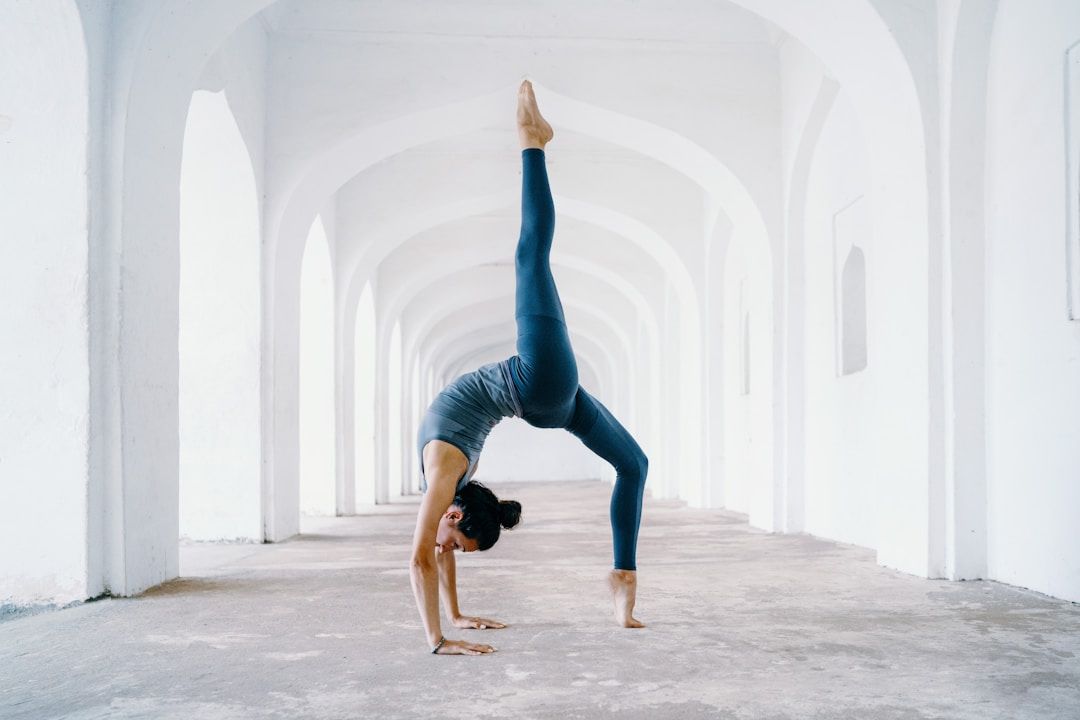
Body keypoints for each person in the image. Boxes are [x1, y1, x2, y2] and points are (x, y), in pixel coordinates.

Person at [409, 80, 649, 656]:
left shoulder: (444, 475)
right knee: (531, 258)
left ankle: (531, 142)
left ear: (455, 512)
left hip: (541, 387)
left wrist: (442, 635)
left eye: (457, 544)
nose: (449, 550)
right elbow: (437, 550)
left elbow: (419, 556)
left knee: (634, 464)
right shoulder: (449, 491)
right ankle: (531, 143)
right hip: (542, 388)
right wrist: (454, 620)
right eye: (461, 546)